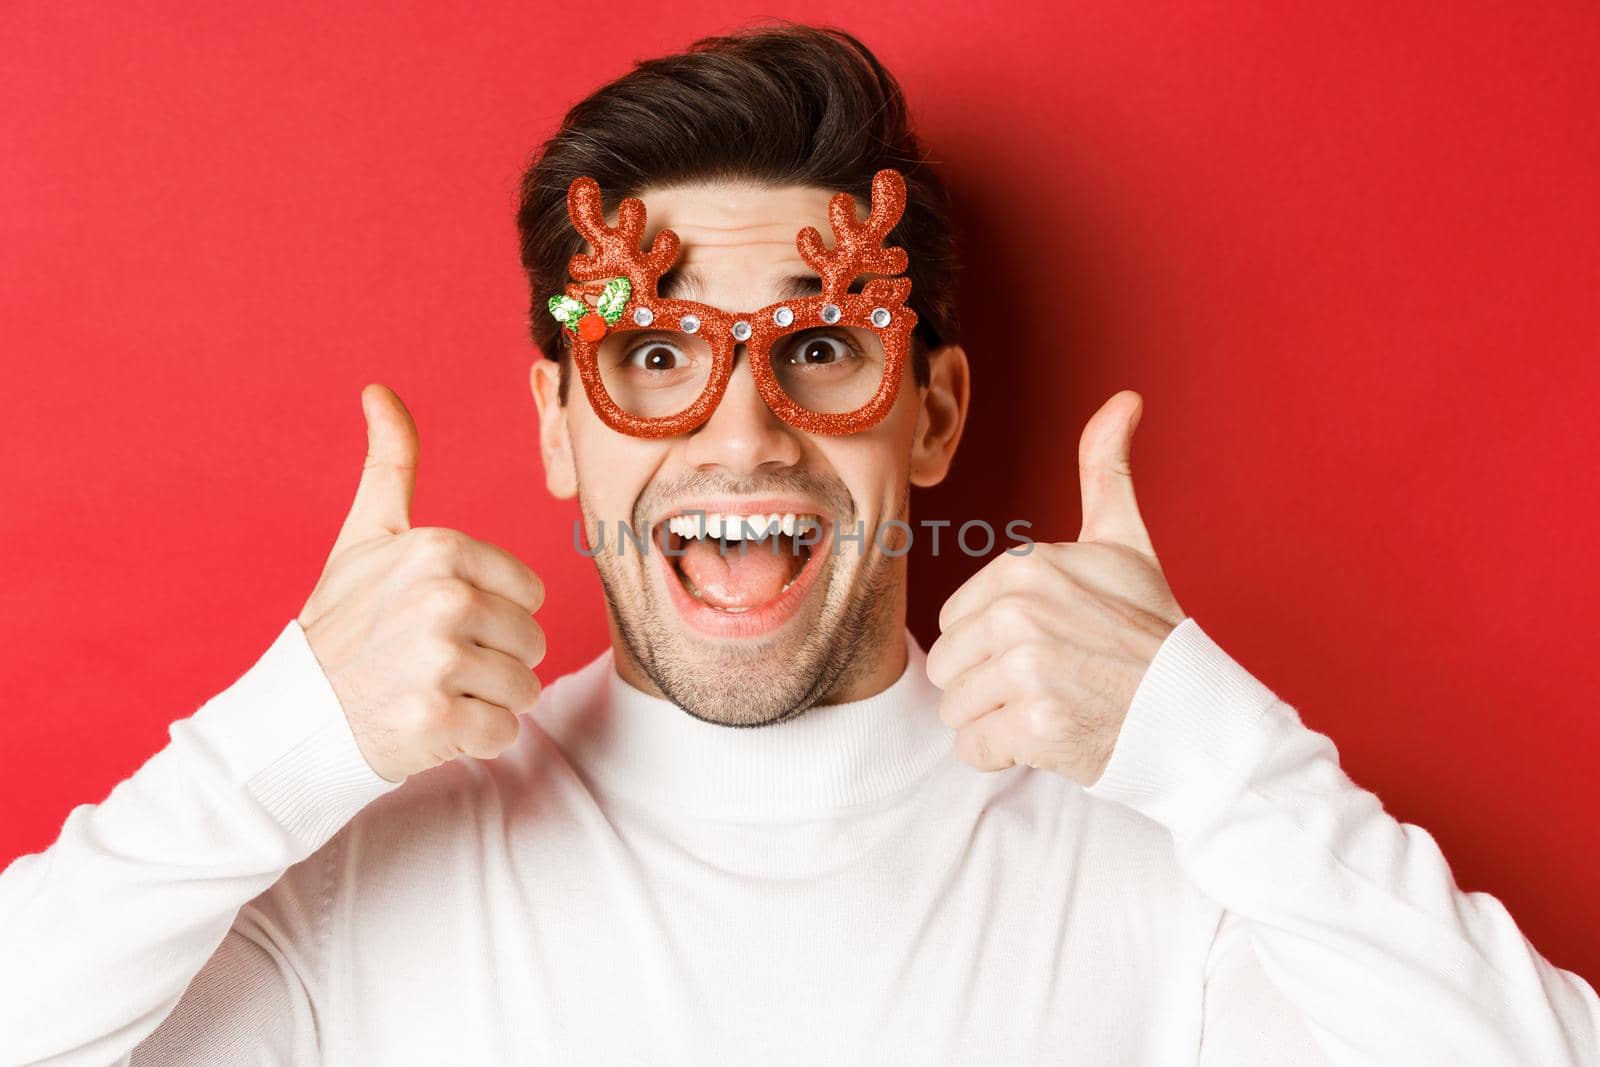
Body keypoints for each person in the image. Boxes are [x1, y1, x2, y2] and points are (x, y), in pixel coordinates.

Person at [2, 22, 1596, 1067]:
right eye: (652, 357)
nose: (744, 438)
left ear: (937, 416)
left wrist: (1215, 756)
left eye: (824, 352)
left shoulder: (1171, 879)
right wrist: (273, 743)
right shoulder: (364, 880)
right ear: (560, 423)